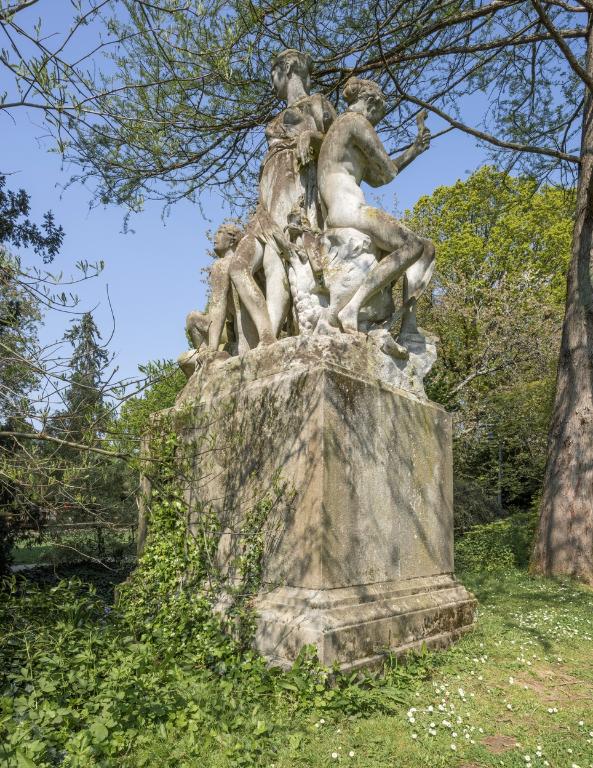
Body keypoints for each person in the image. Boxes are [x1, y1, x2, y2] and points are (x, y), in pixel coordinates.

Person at [228, 49, 336, 346]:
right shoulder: (279, 116)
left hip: (296, 194)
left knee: (279, 271)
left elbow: (338, 150)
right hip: (267, 203)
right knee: (239, 268)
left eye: (272, 71)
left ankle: (268, 340)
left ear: (287, 68)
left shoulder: (318, 104)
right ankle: (265, 336)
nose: (270, 80)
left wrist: (311, 138)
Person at [317, 77, 434, 338]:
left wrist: (414, 151)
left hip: (346, 209)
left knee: (427, 249)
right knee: (413, 245)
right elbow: (388, 170)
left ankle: (409, 327)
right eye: (379, 114)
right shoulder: (354, 122)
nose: (377, 122)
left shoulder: (341, 129)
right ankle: (352, 308)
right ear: (371, 102)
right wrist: (414, 150)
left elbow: (378, 179)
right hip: (348, 209)